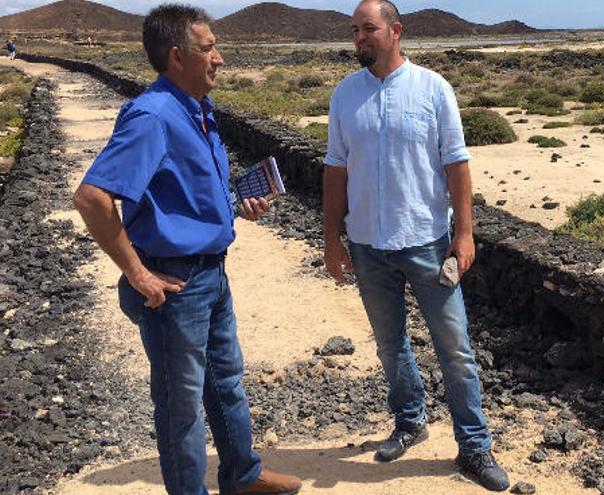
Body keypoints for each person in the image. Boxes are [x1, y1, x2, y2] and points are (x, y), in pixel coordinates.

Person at [73, 5, 301, 495]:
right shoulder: (153, 115)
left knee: (226, 385)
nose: (219, 58)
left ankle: (242, 475)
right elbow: (92, 197)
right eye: (208, 48)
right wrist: (137, 273)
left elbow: (181, 194)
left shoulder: (195, 108)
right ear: (177, 57)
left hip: (211, 275)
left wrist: (236, 205)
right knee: (181, 406)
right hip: (174, 285)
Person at [322, 0, 509, 491]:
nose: (359, 39)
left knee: (457, 349)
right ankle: (410, 421)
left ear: (395, 30)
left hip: (427, 242)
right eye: (354, 31)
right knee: (390, 345)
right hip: (366, 245)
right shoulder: (345, 94)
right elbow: (336, 171)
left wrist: (464, 233)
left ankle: (474, 446)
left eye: (368, 29)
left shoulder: (432, 88)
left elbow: (457, 165)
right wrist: (331, 240)